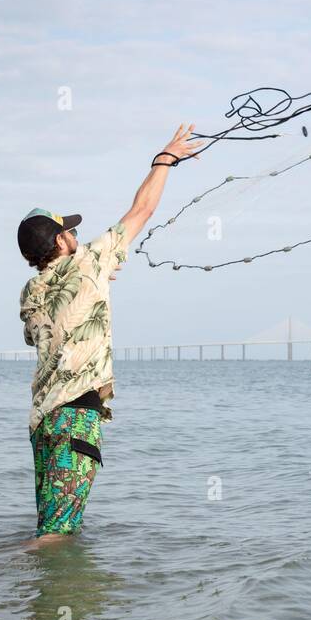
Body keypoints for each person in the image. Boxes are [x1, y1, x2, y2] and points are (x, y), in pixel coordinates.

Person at [17, 124, 203, 543]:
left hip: (43, 421)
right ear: (62, 241)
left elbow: (44, 329)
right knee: (56, 536)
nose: (78, 237)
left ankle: (43, 605)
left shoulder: (30, 291)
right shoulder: (90, 264)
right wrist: (164, 160)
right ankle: (2, 577)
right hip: (76, 418)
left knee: (51, 524)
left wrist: (93, 280)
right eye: (72, 232)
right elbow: (142, 211)